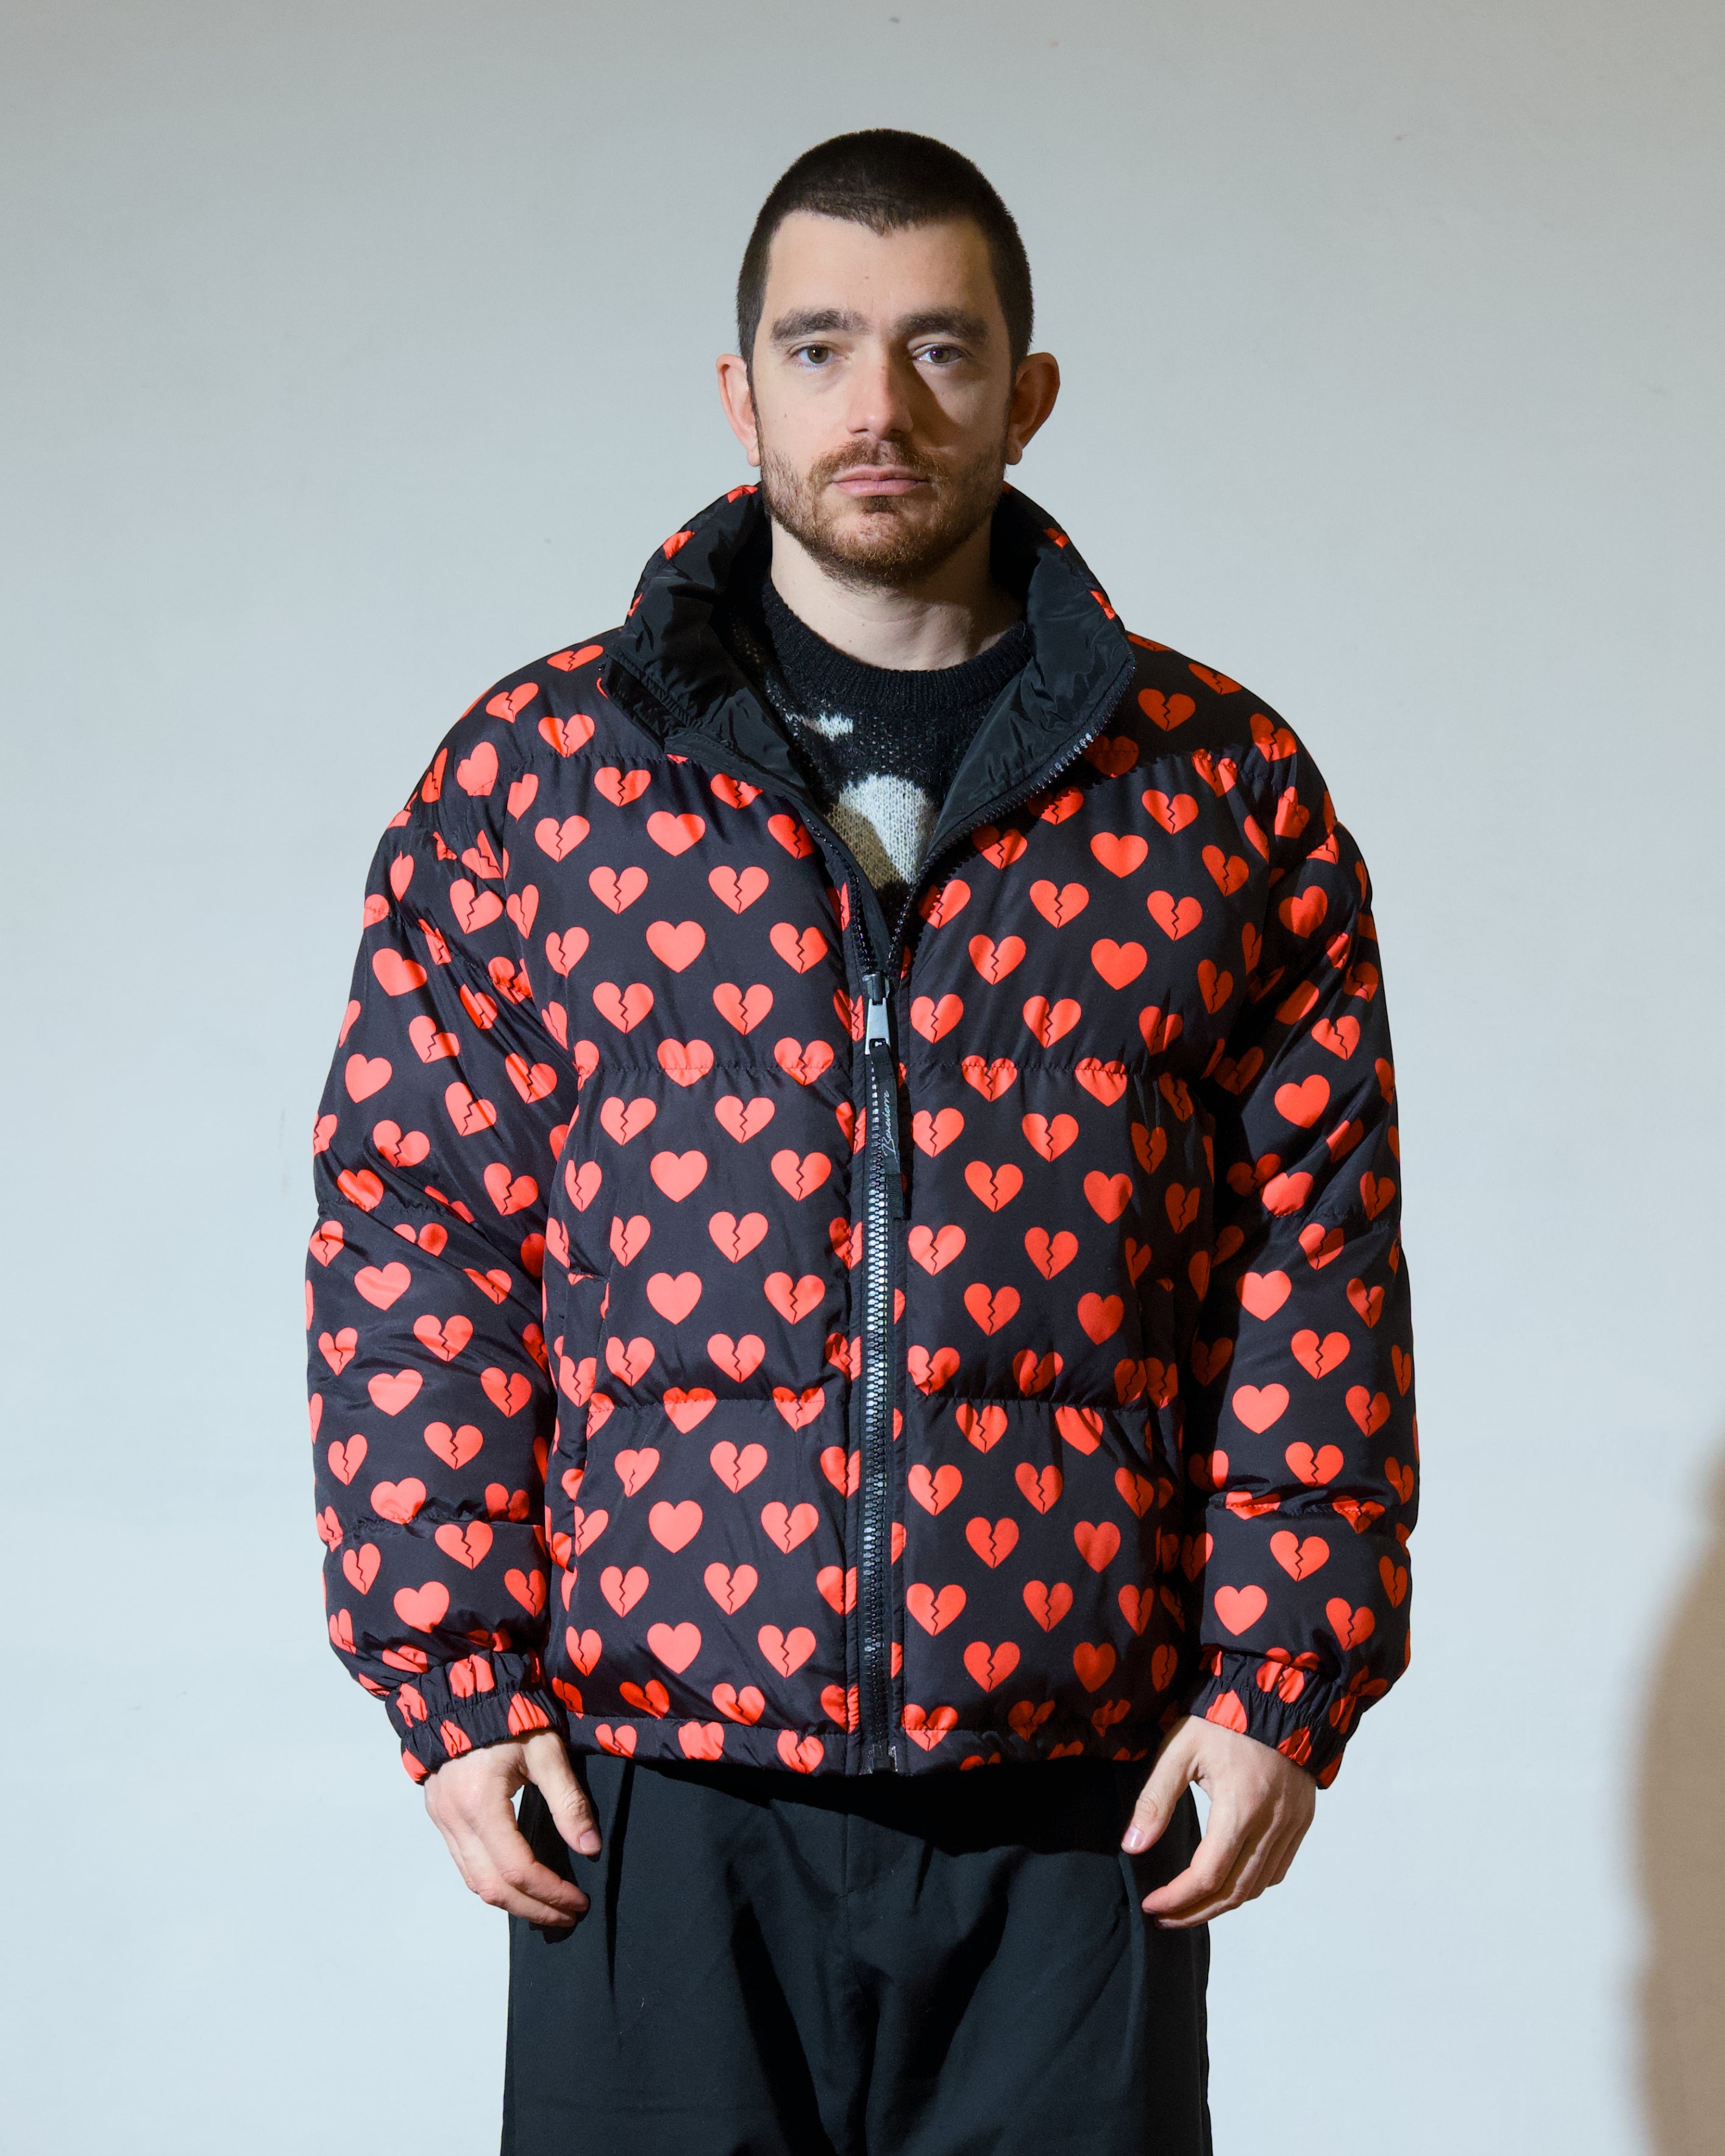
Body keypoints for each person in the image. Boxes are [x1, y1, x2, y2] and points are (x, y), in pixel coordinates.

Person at [306, 128, 1418, 2155]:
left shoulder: (1219, 792)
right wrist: (451, 1676)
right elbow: (416, 1235)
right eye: (819, 347)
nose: (878, 406)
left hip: (1078, 1799)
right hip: (650, 1792)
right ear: (741, 394)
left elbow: (1311, 1262)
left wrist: (1280, 1676)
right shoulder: (539, 783)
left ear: (1028, 390)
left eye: (940, 348)